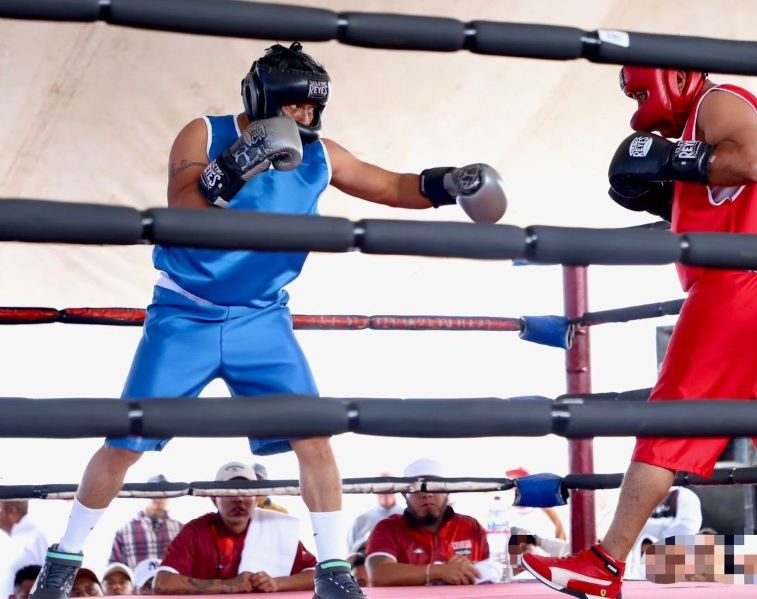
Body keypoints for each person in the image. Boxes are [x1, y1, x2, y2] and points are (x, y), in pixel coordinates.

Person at [30, 41, 506, 599]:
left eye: (311, 108)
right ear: (264, 98)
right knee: (126, 442)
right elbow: (176, 214)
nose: (304, 117)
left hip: (262, 319)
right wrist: (234, 168)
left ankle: (333, 574)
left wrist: (450, 183)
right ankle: (62, 563)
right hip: (185, 313)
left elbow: (393, 186)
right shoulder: (203, 134)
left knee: (316, 438)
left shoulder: (321, 154)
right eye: (295, 106)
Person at [522, 66, 757, 599]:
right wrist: (663, 194)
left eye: (642, 89)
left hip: (737, 284)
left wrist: (672, 161)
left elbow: (749, 163)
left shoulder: (717, 101)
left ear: (674, 77)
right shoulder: (703, 126)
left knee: (673, 414)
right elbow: (722, 191)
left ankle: (605, 564)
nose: (640, 100)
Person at [154, 462, 317, 594]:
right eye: (229, 491)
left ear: (258, 497)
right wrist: (227, 585)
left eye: (246, 491)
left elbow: (318, 574)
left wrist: (277, 583)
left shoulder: (276, 529)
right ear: (213, 498)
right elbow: (162, 582)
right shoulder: (196, 532)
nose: (238, 498)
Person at [365, 459, 491, 586]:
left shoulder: (470, 526)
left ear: (447, 491)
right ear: (404, 494)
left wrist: (471, 568)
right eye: (417, 487)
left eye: (434, 487)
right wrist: (438, 571)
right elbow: (378, 575)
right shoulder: (388, 528)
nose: (427, 494)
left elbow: (492, 572)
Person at [624, 486, 702, 580]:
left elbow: (686, 530)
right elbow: (625, 529)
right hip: (633, 565)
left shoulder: (685, 496)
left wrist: (653, 540)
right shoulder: (634, 495)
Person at [108, 476, 183, 569]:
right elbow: (114, 570)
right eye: (153, 492)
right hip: (137, 583)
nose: (159, 498)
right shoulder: (125, 532)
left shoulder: (181, 530)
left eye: (164, 493)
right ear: (145, 495)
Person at [346, 473, 405, 556]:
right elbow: (350, 554)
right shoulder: (361, 521)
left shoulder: (408, 517)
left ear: (396, 489)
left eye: (388, 487)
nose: (385, 491)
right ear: (375, 489)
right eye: (381, 487)